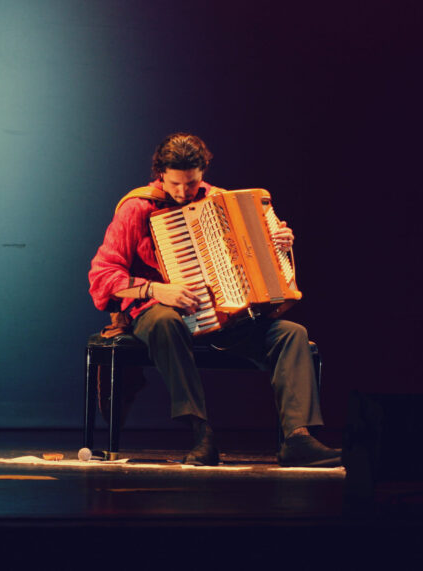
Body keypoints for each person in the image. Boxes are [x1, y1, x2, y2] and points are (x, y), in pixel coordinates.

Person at [88, 133, 341, 467]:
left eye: (190, 184)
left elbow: (259, 254)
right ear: (160, 174)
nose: (182, 193)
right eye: (175, 184)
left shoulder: (224, 201)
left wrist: (278, 241)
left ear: (202, 173)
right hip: (159, 314)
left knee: (292, 334)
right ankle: (201, 434)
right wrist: (156, 290)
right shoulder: (137, 208)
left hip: (225, 318)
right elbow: (102, 275)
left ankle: (297, 439)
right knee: (165, 320)